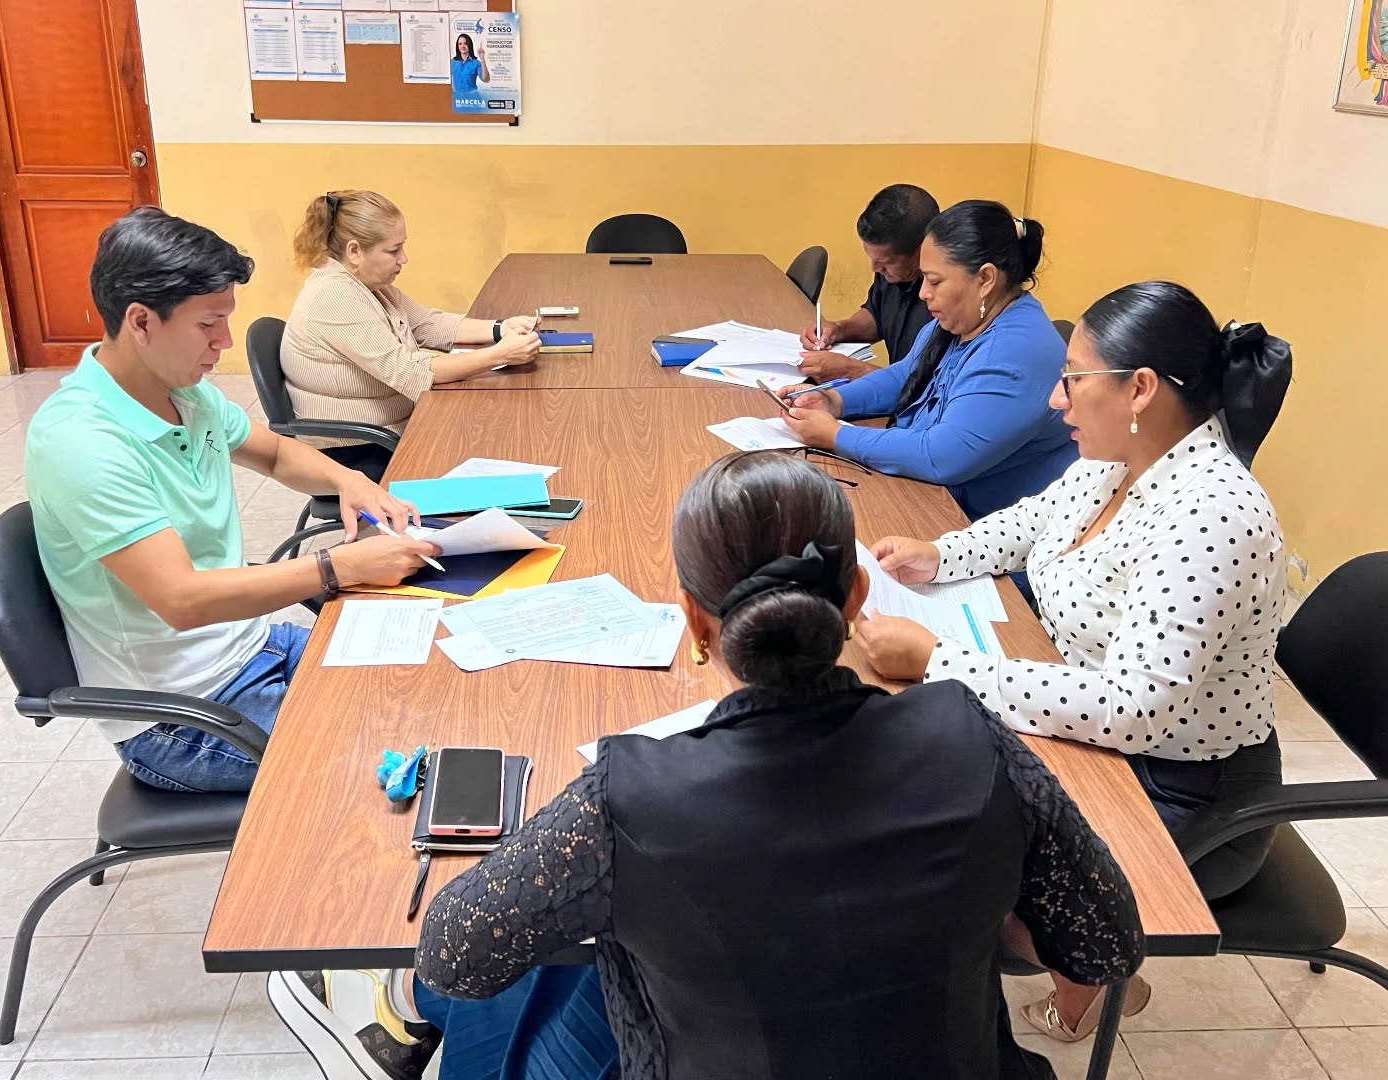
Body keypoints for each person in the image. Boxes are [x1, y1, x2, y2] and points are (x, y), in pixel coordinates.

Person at [401, 451, 1143, 1078]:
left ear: (694, 619)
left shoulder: (624, 799)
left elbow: (452, 957)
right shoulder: (971, 739)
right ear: (856, 596)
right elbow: (1107, 947)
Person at [858, 281, 1293, 1042]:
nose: (1056, 399)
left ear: (1140, 389)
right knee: (920, 789)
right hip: (1099, 728)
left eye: (1072, 378)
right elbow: (1036, 520)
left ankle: (1090, 975)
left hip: (1183, 786)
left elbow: (1132, 709)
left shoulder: (1215, 517)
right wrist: (939, 554)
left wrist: (939, 660)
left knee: (968, 877)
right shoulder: (1119, 456)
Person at [24, 208, 440, 796]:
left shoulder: (184, 393)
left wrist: (352, 481)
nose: (223, 342)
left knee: (433, 679)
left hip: (250, 645)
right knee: (397, 758)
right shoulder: (82, 442)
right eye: (208, 325)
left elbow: (276, 453)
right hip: (180, 715)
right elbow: (183, 600)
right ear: (141, 322)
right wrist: (335, 567)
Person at [782, 199, 1077, 523]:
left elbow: (941, 456)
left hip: (979, 526)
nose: (923, 293)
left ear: (985, 279)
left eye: (935, 282)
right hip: (931, 497)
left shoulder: (1014, 356)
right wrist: (833, 400)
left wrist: (835, 435)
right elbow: (906, 375)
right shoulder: (964, 319)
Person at [280, 190, 540, 482]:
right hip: (354, 451)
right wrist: (500, 354)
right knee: (489, 442)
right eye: (393, 250)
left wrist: (501, 328)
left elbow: (428, 324)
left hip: (390, 431)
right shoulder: (334, 297)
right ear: (354, 251)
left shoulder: (367, 285)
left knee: (493, 434)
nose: (403, 259)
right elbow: (410, 372)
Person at [796, 183, 939, 382]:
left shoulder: (948, 298)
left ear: (923, 249)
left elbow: (928, 387)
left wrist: (852, 370)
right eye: (872, 259)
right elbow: (878, 315)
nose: (875, 268)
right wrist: (839, 329)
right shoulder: (894, 273)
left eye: (886, 263)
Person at [450, 33, 488, 98]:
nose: (462, 46)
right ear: (457, 46)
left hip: (473, 98)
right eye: (460, 44)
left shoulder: (476, 63)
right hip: (457, 98)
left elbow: (486, 79)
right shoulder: (452, 62)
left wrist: (482, 59)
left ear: (469, 45)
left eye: (465, 43)